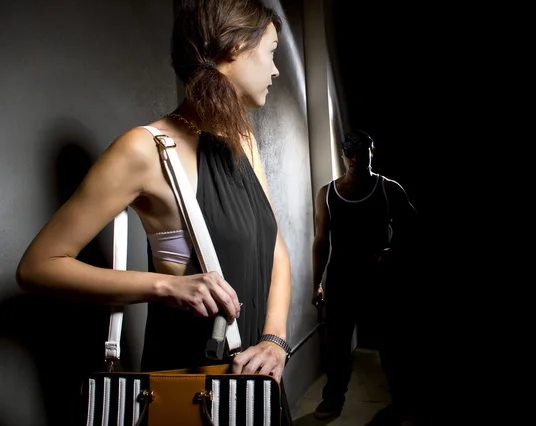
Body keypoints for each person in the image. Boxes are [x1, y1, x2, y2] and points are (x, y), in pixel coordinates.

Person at [16, 0, 293, 424]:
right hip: (188, 388)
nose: (276, 70)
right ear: (237, 46)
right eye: (272, 52)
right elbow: (38, 267)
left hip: (258, 382)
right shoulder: (144, 149)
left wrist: (275, 340)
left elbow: (275, 250)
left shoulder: (243, 140)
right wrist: (167, 287)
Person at [311, 129, 419, 424]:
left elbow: (411, 228)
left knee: (391, 344)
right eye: (349, 152)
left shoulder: (387, 188)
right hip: (341, 281)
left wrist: (393, 252)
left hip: (379, 281)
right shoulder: (328, 193)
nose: (355, 158)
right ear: (343, 154)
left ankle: (402, 401)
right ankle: (333, 399)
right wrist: (316, 283)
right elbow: (321, 241)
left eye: (362, 151)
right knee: (337, 345)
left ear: (372, 152)